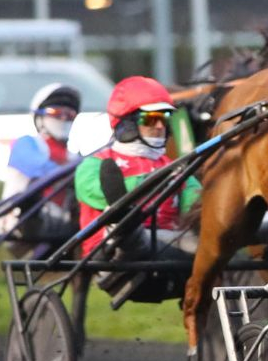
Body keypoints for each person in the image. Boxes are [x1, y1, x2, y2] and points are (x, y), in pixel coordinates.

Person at [74, 76, 200, 266]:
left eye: (164, 117)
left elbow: (195, 201)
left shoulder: (175, 166)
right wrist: (149, 182)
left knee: (211, 243)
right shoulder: (95, 164)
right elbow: (94, 193)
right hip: (109, 249)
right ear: (128, 122)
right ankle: (127, 224)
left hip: (169, 240)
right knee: (126, 226)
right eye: (151, 118)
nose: (160, 126)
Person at [0, 82, 82, 241]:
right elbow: (41, 169)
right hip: (20, 229)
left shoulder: (75, 156)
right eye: (56, 112)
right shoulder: (26, 144)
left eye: (70, 114)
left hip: (64, 231)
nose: (64, 118)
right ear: (39, 117)